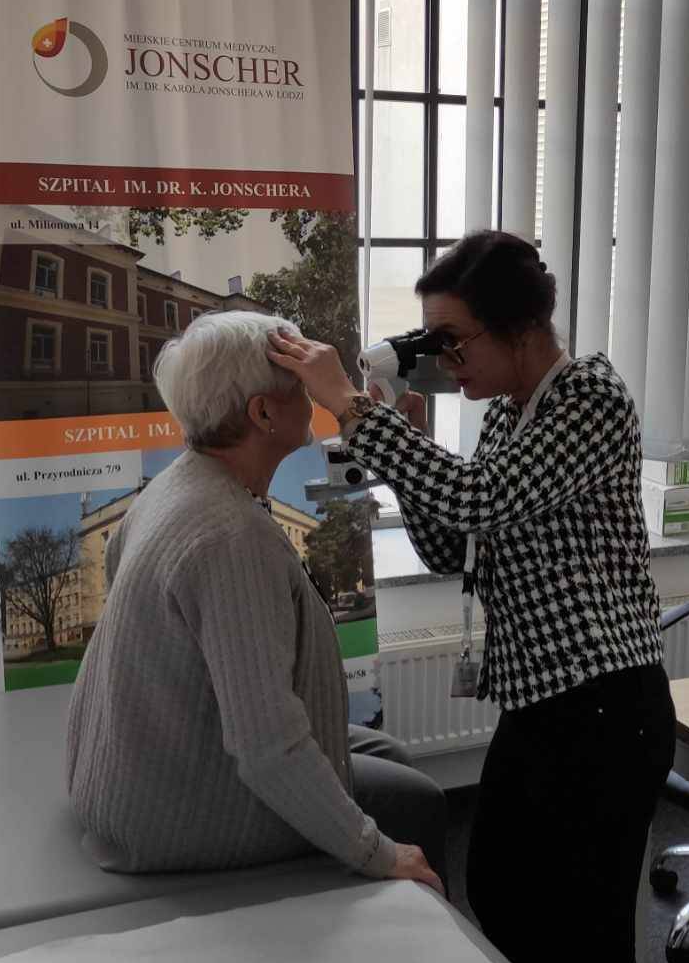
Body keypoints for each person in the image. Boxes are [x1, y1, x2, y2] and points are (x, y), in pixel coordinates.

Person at [268, 231, 673, 963]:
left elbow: (480, 498)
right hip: (541, 703)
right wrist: (406, 455)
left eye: (455, 340)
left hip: (606, 706)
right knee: (499, 888)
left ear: (520, 328)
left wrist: (356, 409)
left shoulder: (590, 397)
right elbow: (457, 543)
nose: (445, 361)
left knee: (586, 929)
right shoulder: (505, 414)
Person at [66, 310, 445, 894]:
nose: (315, 393)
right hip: (167, 816)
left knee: (388, 752)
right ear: (263, 413)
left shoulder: (174, 485)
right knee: (420, 804)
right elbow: (267, 748)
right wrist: (379, 853)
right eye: (301, 383)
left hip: (133, 772)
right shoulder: (231, 537)